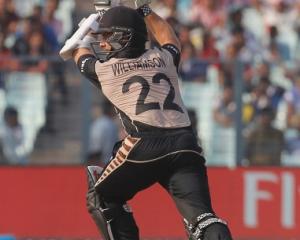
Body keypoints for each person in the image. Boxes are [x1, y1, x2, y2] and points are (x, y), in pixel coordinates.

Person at [61, 3, 232, 240]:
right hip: (185, 143)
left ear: (126, 38)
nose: (102, 43)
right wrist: (143, 8)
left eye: (108, 37)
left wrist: (87, 28)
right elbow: (167, 35)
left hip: (145, 144)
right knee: (204, 219)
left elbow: (79, 54)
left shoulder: (106, 69)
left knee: (101, 197)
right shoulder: (163, 58)